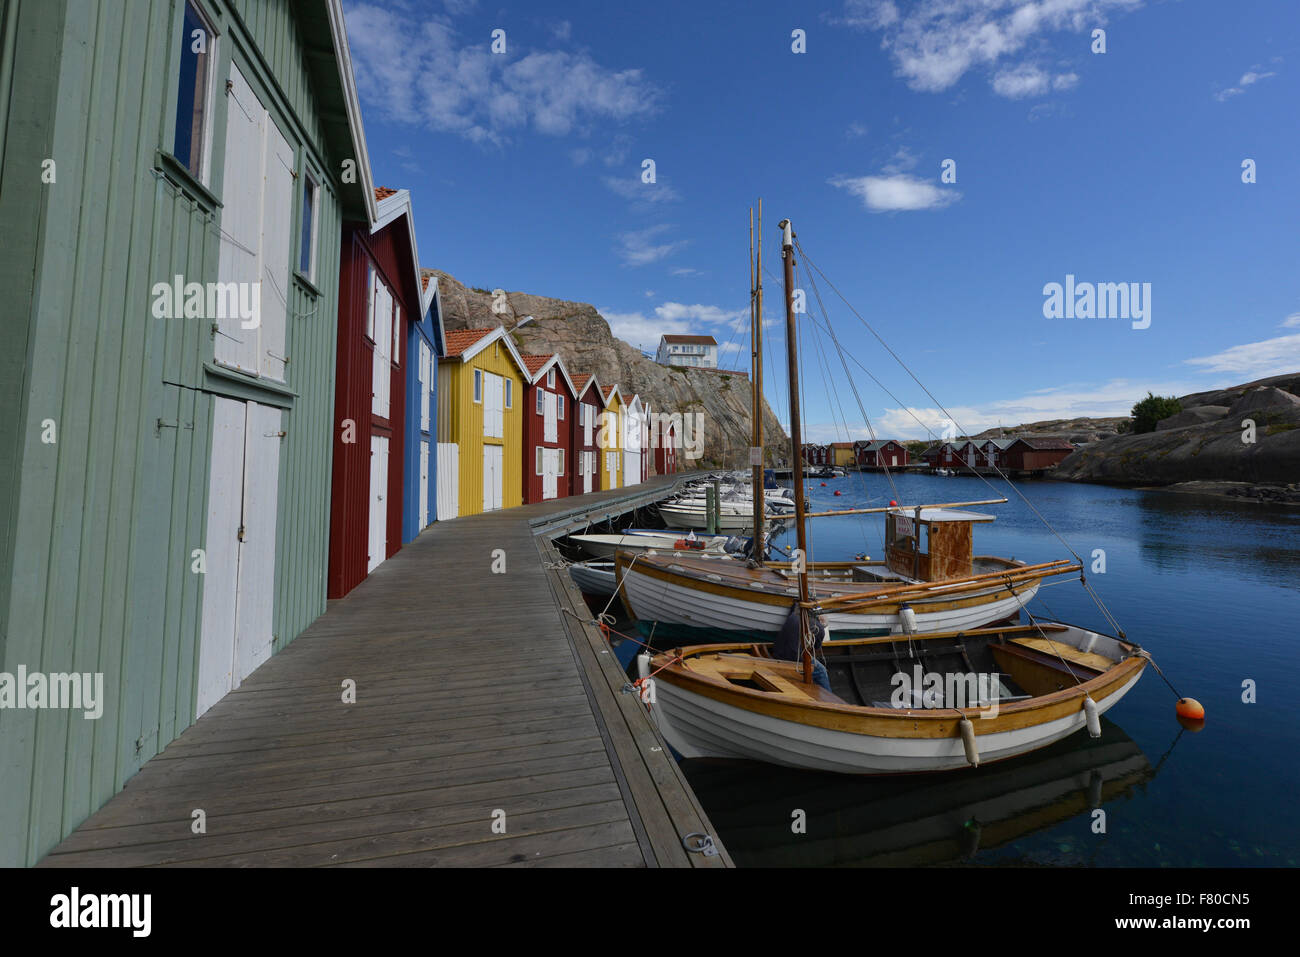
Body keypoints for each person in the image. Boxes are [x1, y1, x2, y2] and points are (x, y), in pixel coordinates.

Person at [773, 603, 832, 692]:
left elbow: (795, 604)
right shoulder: (818, 627)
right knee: (821, 671)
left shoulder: (794, 614)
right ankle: (829, 697)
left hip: (777, 652)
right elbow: (816, 647)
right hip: (793, 658)